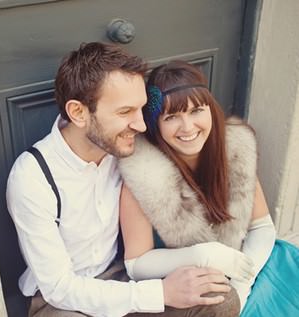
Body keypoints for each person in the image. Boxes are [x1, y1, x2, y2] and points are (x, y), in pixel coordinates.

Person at [6, 42, 240, 317]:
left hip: (121, 277)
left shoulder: (129, 147)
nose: (140, 125)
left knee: (219, 297)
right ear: (78, 113)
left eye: (140, 109)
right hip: (61, 303)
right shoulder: (32, 176)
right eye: (124, 112)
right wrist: (160, 293)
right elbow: (60, 288)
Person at [119, 60, 299, 316]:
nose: (188, 127)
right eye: (172, 117)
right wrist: (203, 254)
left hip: (251, 263)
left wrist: (242, 283)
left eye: (196, 111)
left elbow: (261, 226)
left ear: (211, 110)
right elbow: (136, 264)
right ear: (156, 125)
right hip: (194, 284)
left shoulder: (233, 151)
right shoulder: (144, 177)